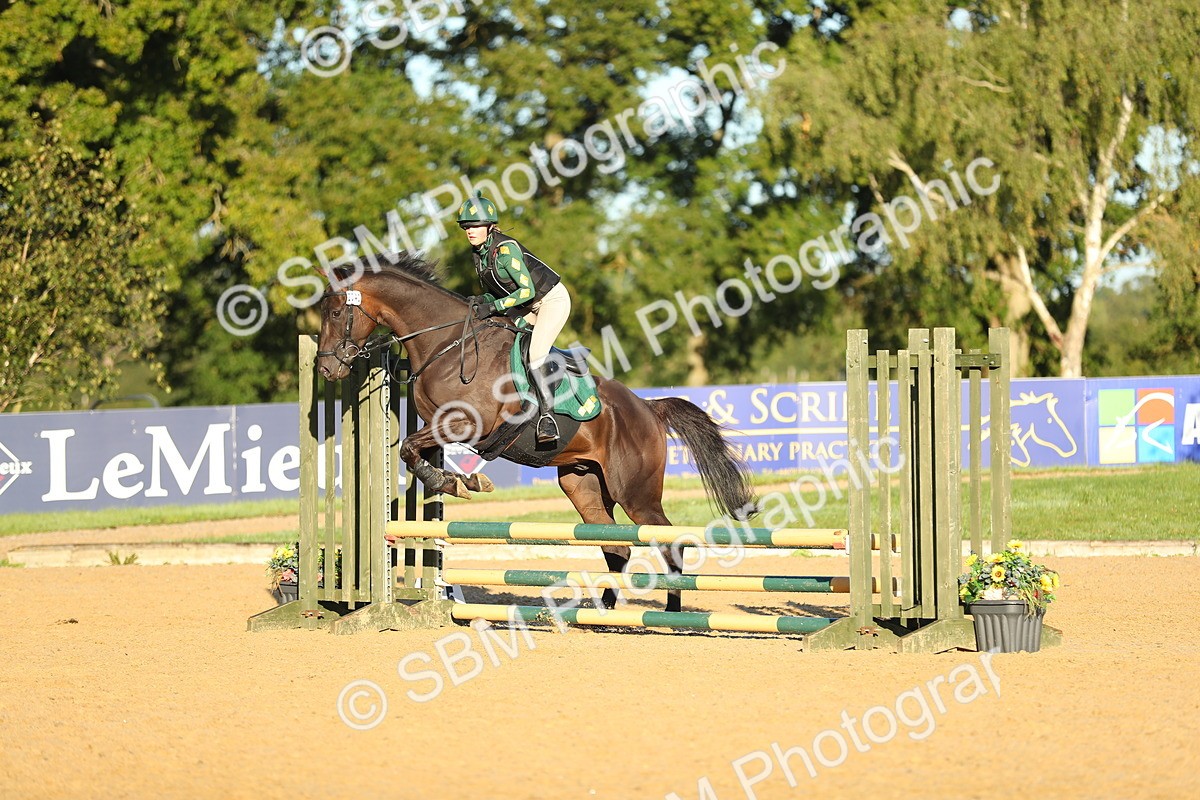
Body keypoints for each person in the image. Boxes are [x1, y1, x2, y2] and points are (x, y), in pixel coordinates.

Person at [457, 193, 572, 443]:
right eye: (466, 226)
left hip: (550, 301)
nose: (470, 230)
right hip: (526, 305)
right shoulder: (479, 254)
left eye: (475, 225)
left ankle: (547, 418)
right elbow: (496, 291)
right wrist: (480, 301)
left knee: (536, 353)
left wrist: (494, 305)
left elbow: (527, 290)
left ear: (490, 226)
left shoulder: (504, 250)